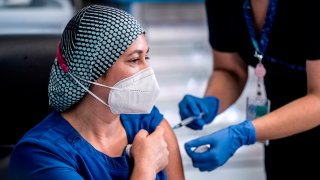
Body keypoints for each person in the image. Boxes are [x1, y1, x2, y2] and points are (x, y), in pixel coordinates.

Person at [8, 5, 184, 180]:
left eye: (146, 57)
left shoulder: (150, 124)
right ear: (92, 71)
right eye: (135, 60)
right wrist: (146, 167)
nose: (148, 70)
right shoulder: (39, 156)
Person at [179, 0, 320, 179]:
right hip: (279, 128)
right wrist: (210, 102)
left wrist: (243, 133)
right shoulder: (222, 4)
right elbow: (230, 69)